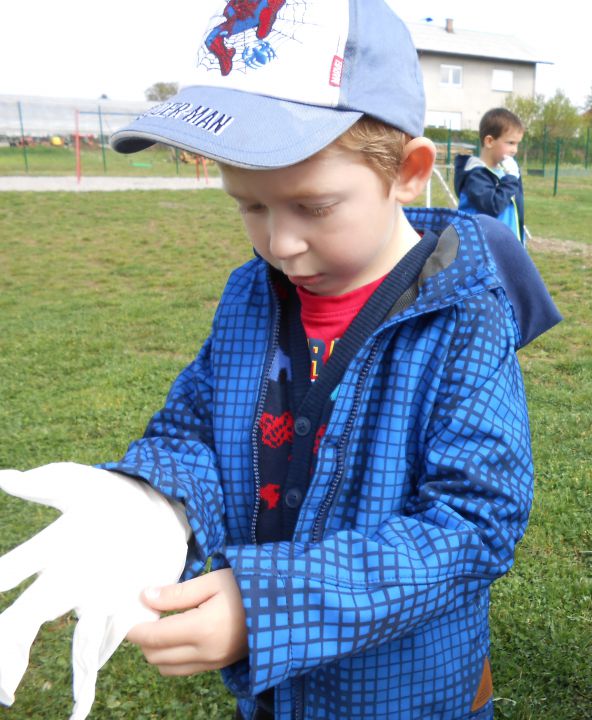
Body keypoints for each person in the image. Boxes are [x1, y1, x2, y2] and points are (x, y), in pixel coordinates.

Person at [0, 2, 560, 719]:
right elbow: (196, 428)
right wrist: (152, 505)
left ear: (410, 172)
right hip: (276, 697)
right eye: (250, 205)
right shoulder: (251, 297)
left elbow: (475, 521)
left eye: (313, 206)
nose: (280, 244)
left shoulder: (464, 319)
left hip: (405, 699)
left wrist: (270, 605)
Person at [454, 107, 526, 246]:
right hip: (484, 251)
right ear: (489, 141)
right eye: (510, 143)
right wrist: (511, 179)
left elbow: (515, 209)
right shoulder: (475, 174)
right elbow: (492, 206)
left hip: (508, 246)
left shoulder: (506, 172)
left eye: (517, 144)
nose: (515, 150)